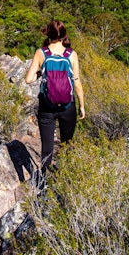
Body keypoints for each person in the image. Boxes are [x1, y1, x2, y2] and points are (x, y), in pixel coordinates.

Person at [24, 20, 85, 183]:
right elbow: (77, 83)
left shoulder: (41, 53)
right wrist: (82, 106)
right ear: (64, 35)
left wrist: (42, 73)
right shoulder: (71, 54)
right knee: (67, 144)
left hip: (47, 106)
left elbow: (28, 79)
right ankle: (66, 178)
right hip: (68, 106)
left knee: (47, 148)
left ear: (48, 34)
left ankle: (43, 180)